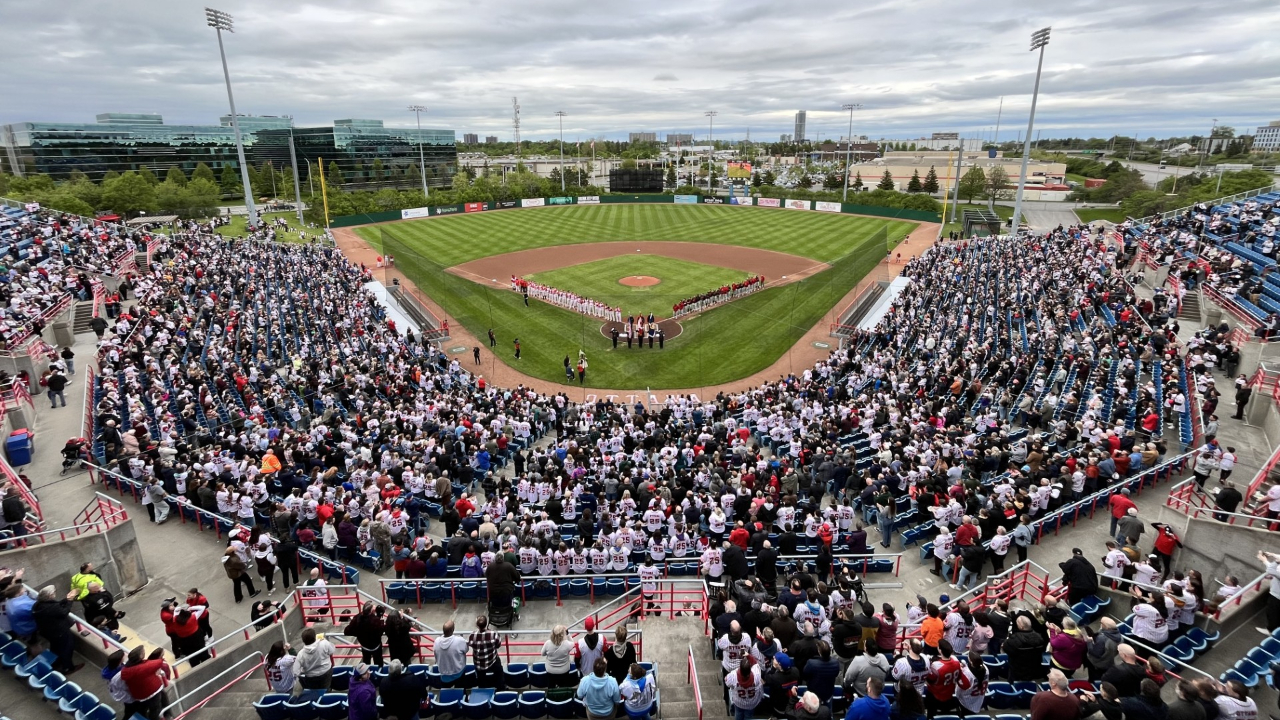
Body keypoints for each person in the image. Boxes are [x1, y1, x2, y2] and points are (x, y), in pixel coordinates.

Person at [33, 585, 83, 673]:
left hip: (47, 631)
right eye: (54, 592)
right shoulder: (52, 608)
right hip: (59, 632)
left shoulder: (38, 605)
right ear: (50, 595)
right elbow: (63, 612)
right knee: (67, 648)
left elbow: (56, 606)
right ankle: (68, 667)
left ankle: (56, 662)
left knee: (55, 647)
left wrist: (66, 599)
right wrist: (70, 601)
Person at [120, 645, 171, 720]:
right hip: (152, 693)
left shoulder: (125, 670)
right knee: (155, 709)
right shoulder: (144, 667)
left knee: (143, 710)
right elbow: (159, 662)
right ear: (140, 656)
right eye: (143, 652)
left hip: (139, 696)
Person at [1004, 615, 1047, 682]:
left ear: (1021, 626)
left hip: (1017, 668)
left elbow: (1006, 649)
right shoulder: (1039, 637)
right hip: (1033, 667)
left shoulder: (1015, 638)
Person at [344, 602, 387, 667]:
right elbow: (381, 631)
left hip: (364, 646)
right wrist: (379, 617)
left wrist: (358, 633)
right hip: (376, 646)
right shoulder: (376, 621)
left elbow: (347, 631)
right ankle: (379, 675)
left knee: (366, 663)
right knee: (379, 664)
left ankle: (366, 674)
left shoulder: (357, 619)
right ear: (372, 611)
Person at [434, 620, 470, 687]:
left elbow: (435, 655)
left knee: (447, 693)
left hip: (444, 675)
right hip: (458, 673)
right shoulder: (459, 640)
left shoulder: (436, 641)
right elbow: (466, 649)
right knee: (461, 691)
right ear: (453, 629)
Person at [543, 624, 576, 688]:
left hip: (550, 670)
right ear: (562, 634)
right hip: (564, 670)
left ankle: (551, 695)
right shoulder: (567, 644)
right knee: (563, 685)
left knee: (551, 686)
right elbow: (573, 643)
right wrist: (568, 633)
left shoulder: (548, 643)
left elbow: (542, 653)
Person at [1260, 550, 1280, 634]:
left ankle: (1270, 630)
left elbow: (1271, 570)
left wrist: (1275, 562)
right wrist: (1272, 554)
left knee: (1272, 612)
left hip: (1277, 595)